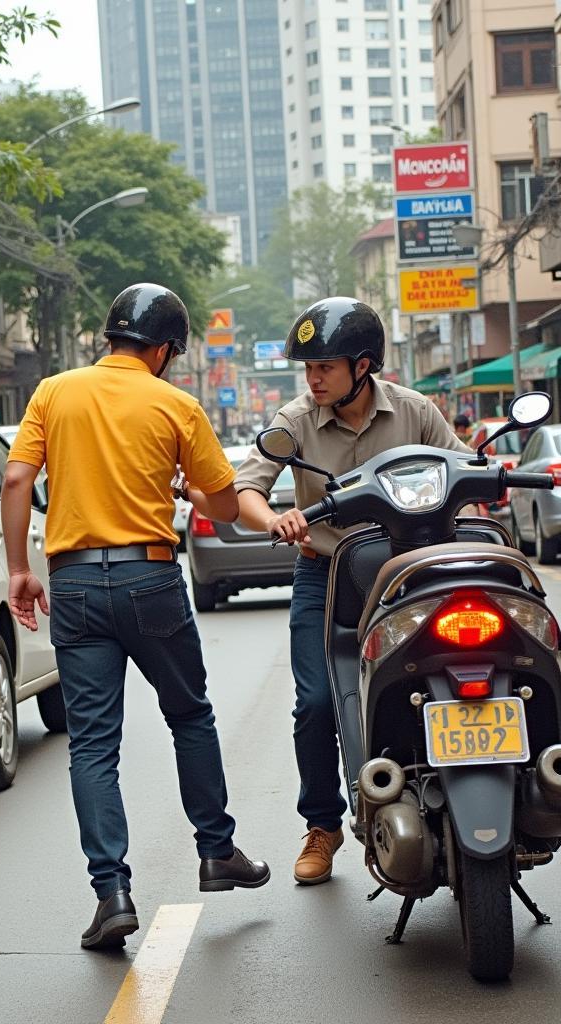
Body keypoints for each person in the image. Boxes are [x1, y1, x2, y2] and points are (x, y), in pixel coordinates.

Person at [0, 282, 270, 951]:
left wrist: (18, 569)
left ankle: (112, 892)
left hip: (75, 584)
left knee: (93, 745)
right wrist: (187, 487)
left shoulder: (53, 393)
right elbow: (227, 507)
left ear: (111, 337)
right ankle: (217, 849)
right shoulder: (175, 403)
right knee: (189, 714)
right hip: (150, 578)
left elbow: (13, 480)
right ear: (162, 349)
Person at [232, 296, 473, 886]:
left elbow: (465, 467)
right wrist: (275, 521)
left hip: (413, 571)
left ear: (362, 367)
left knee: (443, 674)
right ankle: (323, 825)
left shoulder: (417, 411)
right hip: (329, 572)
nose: (312, 379)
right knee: (315, 703)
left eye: (324, 367)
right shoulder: (293, 422)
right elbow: (246, 491)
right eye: (307, 369)